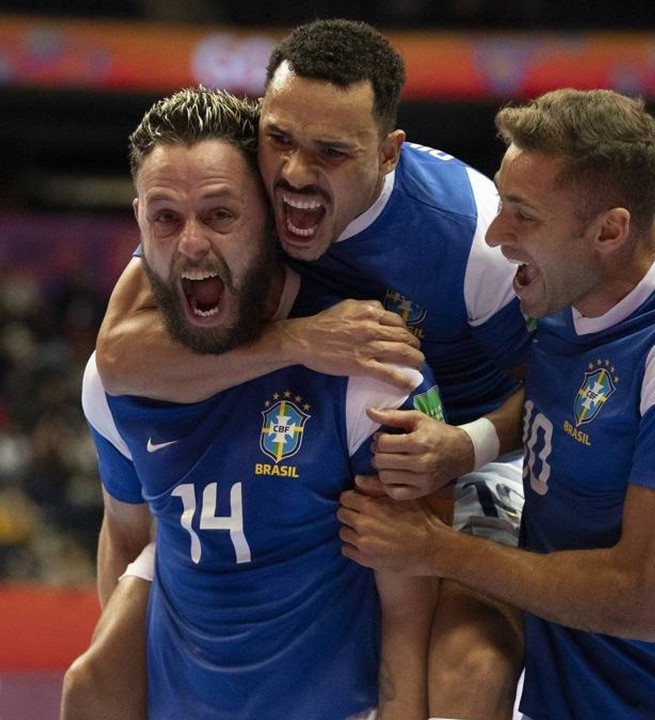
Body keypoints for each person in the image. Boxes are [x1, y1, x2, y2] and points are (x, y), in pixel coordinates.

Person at [87, 19, 531, 720]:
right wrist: (299, 341)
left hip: (476, 451)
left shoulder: (470, 231)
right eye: (282, 139)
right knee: (93, 680)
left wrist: (465, 444)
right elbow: (116, 357)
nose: (295, 172)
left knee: (468, 669)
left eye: (330, 152)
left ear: (387, 154)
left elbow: (558, 389)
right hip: (335, 430)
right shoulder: (235, 192)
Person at [337, 88, 655, 719]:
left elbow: (640, 600)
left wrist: (435, 549)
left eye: (523, 216)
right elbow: (556, 401)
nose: (498, 234)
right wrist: (467, 443)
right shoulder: (564, 302)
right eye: (502, 205)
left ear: (609, 230)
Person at [70, 86, 438, 720]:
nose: (189, 244)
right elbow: (128, 539)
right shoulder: (114, 381)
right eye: (165, 217)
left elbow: (409, 614)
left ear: (268, 218)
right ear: (138, 222)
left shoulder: (366, 366)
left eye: (219, 215)